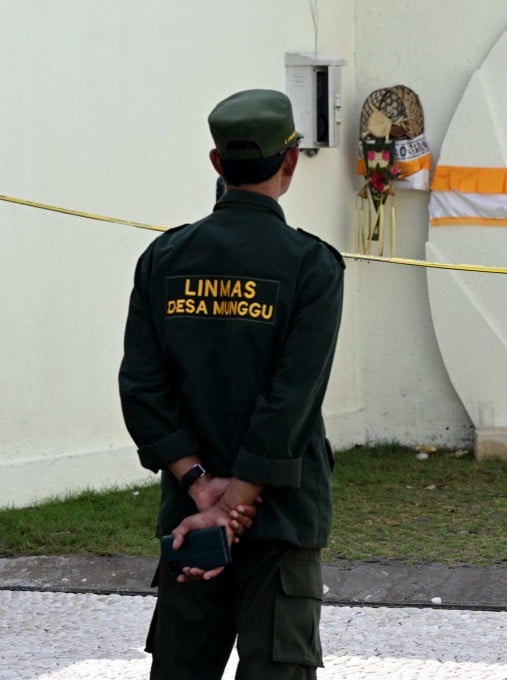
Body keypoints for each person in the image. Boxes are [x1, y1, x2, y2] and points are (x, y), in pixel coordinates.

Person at [119, 88, 345, 679]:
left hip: (190, 515)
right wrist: (238, 499)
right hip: (279, 518)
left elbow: (142, 388)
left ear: (217, 164)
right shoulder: (311, 266)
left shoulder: (162, 260)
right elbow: (291, 399)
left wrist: (201, 490)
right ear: (290, 161)